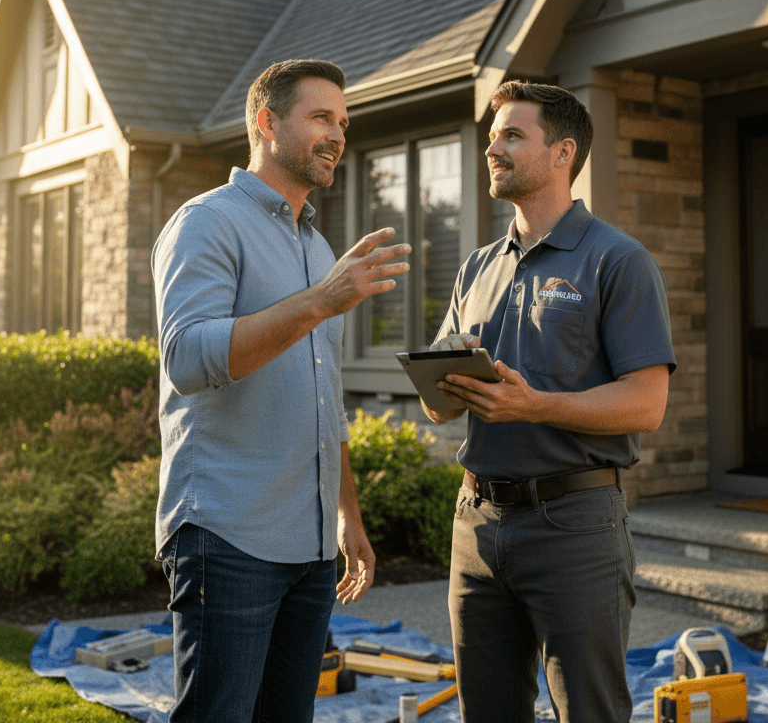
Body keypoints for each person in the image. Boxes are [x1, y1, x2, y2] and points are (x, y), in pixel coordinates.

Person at [152, 58, 410, 723]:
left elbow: (324, 397)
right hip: (228, 532)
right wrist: (319, 302)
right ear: (267, 123)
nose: (337, 134)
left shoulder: (319, 249)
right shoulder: (207, 222)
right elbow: (187, 357)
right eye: (321, 117)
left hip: (311, 545)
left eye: (343, 122)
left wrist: (347, 515)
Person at [421, 80, 675, 723]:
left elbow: (646, 404)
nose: (491, 149)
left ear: (563, 153)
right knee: (489, 711)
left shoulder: (618, 260)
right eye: (490, 138)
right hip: (476, 523)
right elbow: (439, 409)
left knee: (589, 710)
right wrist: (446, 388)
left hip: (574, 523)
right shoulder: (476, 267)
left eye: (511, 135)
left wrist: (535, 406)